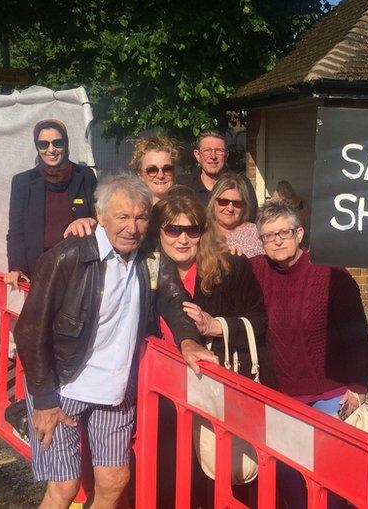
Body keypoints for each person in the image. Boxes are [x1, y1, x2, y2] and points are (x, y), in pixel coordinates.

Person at [14, 174, 216, 509]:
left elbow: (173, 300)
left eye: (140, 217)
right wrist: (45, 400)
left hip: (115, 390)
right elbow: (30, 329)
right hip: (63, 387)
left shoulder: (149, 259)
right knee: (64, 487)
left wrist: (189, 342)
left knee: (115, 480)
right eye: (122, 217)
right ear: (101, 215)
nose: (132, 227)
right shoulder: (68, 257)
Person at [250, 199, 368, 508]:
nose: (277, 240)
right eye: (268, 235)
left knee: (330, 483)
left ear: (300, 233)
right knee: (290, 482)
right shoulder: (255, 271)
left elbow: (357, 333)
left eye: (284, 232)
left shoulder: (330, 272)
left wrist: (360, 387)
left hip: (328, 395)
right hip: (280, 397)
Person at [153, 192, 268, 507]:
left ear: (203, 232)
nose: (182, 238)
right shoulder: (148, 271)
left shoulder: (231, 266)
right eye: (173, 230)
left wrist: (217, 326)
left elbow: (261, 321)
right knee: (170, 477)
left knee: (222, 477)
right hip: (165, 395)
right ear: (159, 232)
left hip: (217, 391)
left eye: (192, 230)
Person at [5, 119, 97, 287]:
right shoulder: (23, 182)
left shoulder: (85, 176)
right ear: (37, 148)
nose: (51, 150)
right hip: (40, 270)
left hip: (80, 268)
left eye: (57, 143)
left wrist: (92, 221)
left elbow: (99, 217)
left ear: (66, 144)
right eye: (43, 144)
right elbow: (16, 231)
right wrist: (17, 267)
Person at [181, 128, 258, 220]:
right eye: (207, 150)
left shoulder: (242, 185)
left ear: (226, 155)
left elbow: (251, 220)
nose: (213, 156)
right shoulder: (184, 185)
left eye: (219, 151)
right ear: (197, 155)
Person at [208, 173, 264, 258]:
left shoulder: (258, 234)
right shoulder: (201, 232)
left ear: (244, 205)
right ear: (214, 202)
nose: (230, 209)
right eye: (224, 202)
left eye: (237, 203)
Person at [272, 180, 311, 245]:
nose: (283, 191)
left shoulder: (299, 202)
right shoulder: (275, 204)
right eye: (280, 189)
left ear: (290, 189)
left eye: (285, 188)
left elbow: (305, 218)